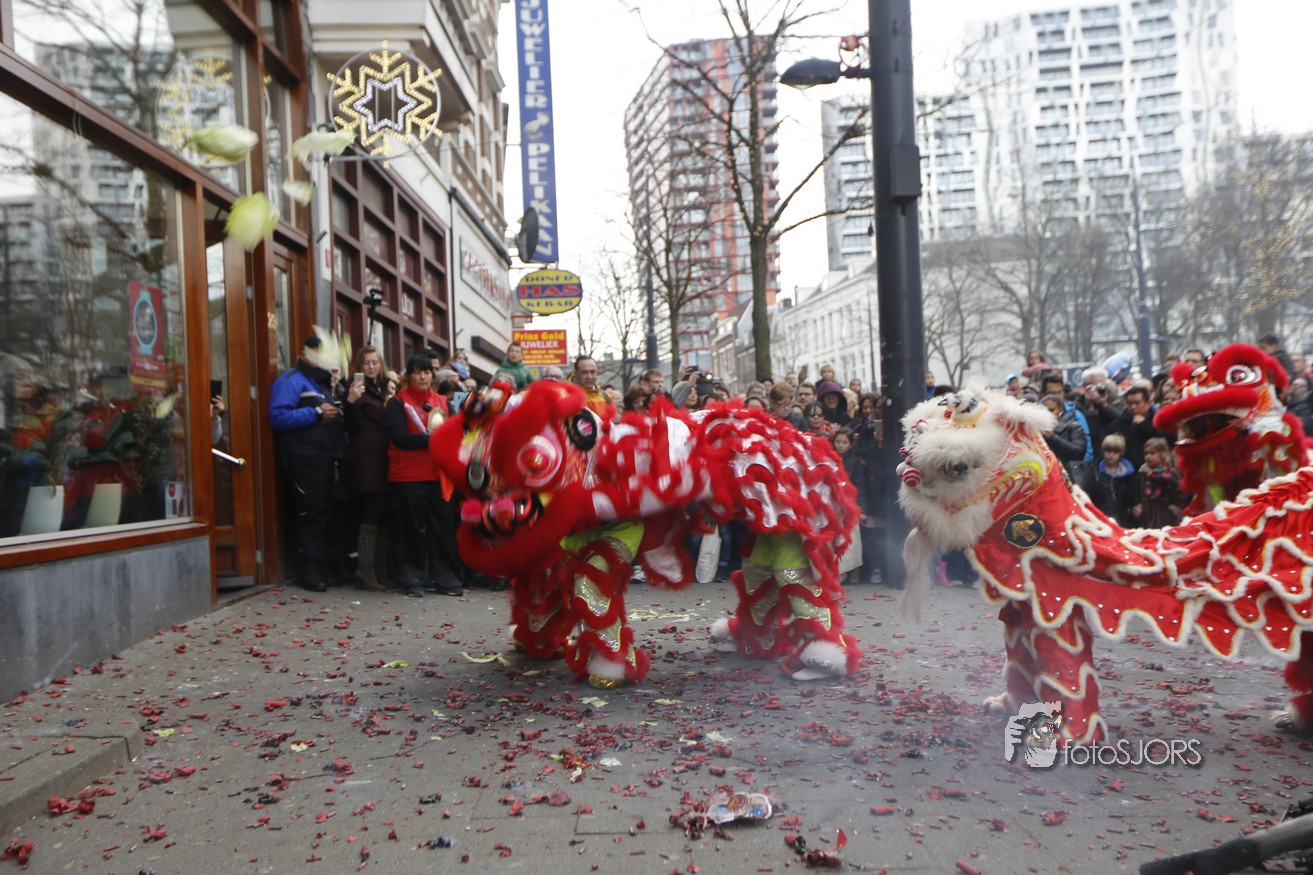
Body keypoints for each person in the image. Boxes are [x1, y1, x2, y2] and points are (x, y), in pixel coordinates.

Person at [268, 336, 346, 592]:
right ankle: (308, 572)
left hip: (322, 458)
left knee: (323, 514)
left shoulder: (319, 382)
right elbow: (277, 416)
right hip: (303, 458)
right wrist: (315, 412)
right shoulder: (291, 380)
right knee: (310, 514)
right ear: (303, 354)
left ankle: (320, 568)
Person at [385, 353, 463, 598]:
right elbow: (398, 437)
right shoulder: (398, 403)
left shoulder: (442, 402)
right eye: (417, 372)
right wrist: (429, 440)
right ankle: (413, 578)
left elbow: (457, 432)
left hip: (439, 476)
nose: (423, 377)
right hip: (408, 475)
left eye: (427, 372)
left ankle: (446, 578)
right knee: (412, 530)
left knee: (442, 528)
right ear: (409, 376)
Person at [344, 345, 393, 591]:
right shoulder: (356, 390)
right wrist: (350, 403)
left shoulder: (384, 388)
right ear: (360, 366)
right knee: (373, 513)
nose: (371, 366)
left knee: (385, 515)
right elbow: (350, 428)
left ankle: (381, 569)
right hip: (367, 459)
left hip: (386, 458)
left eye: (375, 362)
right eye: (367, 363)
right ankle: (365, 569)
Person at [832, 428, 869, 586]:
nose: (840, 445)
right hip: (832, 504)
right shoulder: (828, 459)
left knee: (851, 540)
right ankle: (836, 571)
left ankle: (853, 571)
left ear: (851, 444)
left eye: (844, 442)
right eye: (838, 441)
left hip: (849, 504)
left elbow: (860, 486)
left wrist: (862, 508)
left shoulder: (855, 462)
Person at [1109, 385, 1172, 469]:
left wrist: (1144, 426)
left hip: (1156, 470)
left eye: (1137, 403)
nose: (1133, 407)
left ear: (1149, 403)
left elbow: (1170, 441)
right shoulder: (1118, 424)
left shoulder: (1159, 422)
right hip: (1126, 471)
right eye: (1129, 403)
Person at [1133, 436, 1183, 528]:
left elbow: (1181, 493)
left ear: (1163, 454)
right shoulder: (1142, 474)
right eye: (1146, 453)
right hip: (1147, 522)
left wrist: (1174, 509)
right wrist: (1139, 506)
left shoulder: (1172, 474)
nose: (1148, 456)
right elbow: (1137, 495)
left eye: (1152, 453)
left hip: (1168, 522)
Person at [1089, 434, 1137, 526]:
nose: (1111, 455)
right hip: (1100, 516)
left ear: (1120, 453)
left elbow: (1131, 495)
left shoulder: (1128, 474)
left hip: (1122, 518)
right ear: (1103, 451)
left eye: (1115, 452)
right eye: (1108, 451)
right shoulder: (1094, 470)